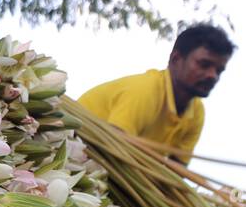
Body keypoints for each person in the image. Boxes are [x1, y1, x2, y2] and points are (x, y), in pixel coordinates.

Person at [76, 23, 235, 163]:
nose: (212, 75)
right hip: (75, 153)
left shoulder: (196, 112)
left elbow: (176, 172)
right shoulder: (144, 91)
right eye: (204, 64)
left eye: (219, 70)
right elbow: (113, 152)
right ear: (176, 59)